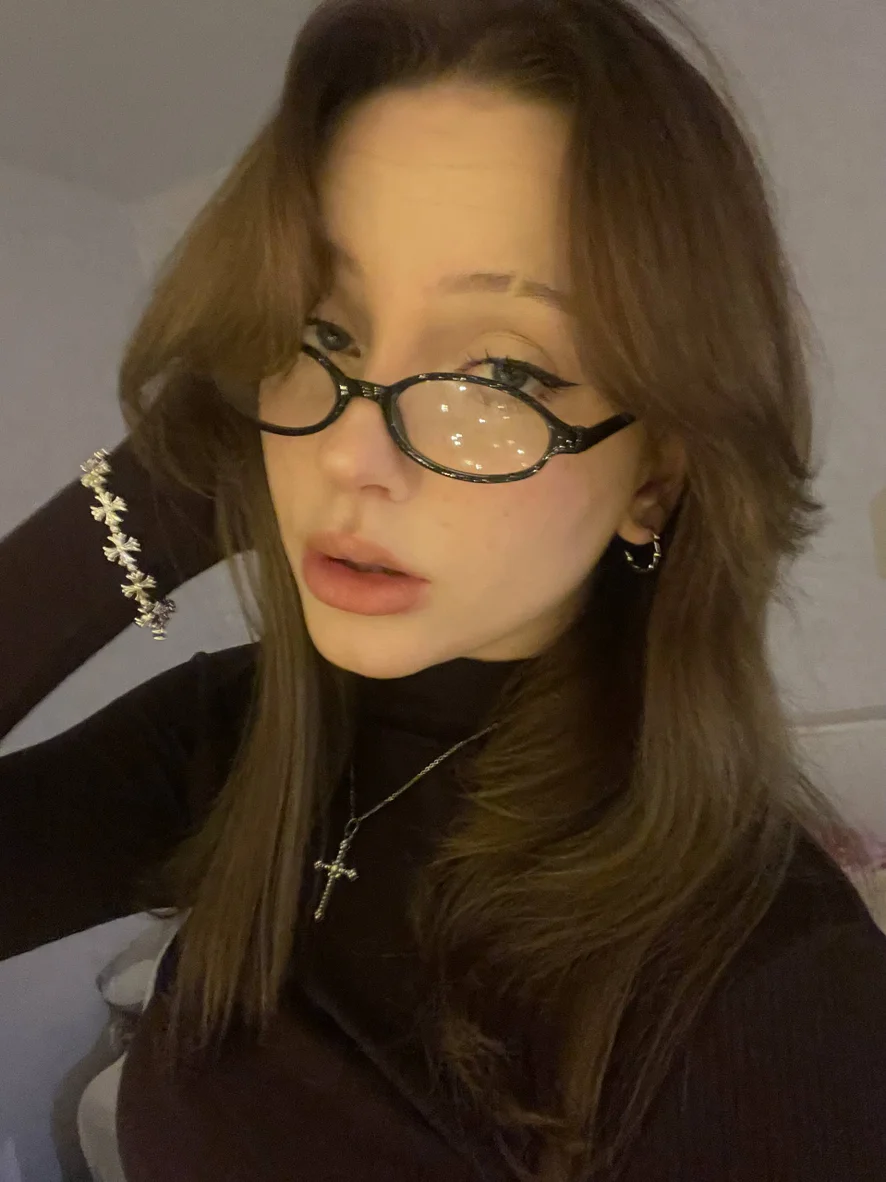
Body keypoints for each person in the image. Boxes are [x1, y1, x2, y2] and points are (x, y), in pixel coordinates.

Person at [2, 0, 885, 1178]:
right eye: (319, 336)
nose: (351, 458)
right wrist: (163, 482)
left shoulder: (771, 989)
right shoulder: (239, 741)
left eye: (498, 374)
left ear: (655, 479)